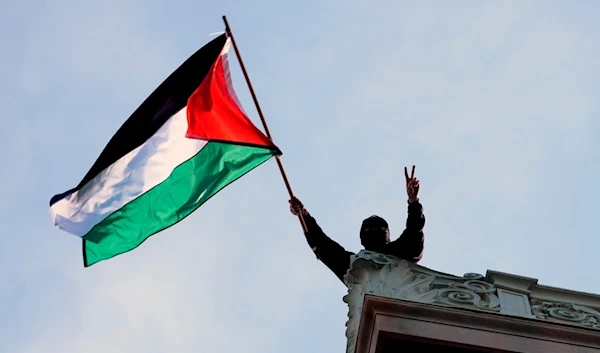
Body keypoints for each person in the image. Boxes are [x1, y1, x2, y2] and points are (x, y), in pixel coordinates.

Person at [289, 165, 425, 284]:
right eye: (368, 229)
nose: (372, 231)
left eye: (378, 229)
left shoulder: (399, 252)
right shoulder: (355, 265)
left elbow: (414, 231)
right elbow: (323, 245)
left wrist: (413, 201)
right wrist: (304, 215)